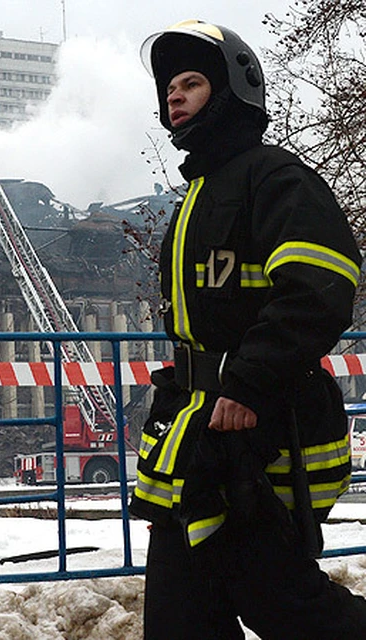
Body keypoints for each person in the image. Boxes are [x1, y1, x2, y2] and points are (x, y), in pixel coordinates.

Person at [129, 19, 366, 639]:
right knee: (184, 615)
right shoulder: (202, 190)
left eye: (191, 82)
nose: (174, 96)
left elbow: (319, 288)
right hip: (198, 427)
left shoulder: (275, 179)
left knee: (284, 606)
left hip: (258, 430)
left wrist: (248, 383)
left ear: (234, 89)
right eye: (169, 87)